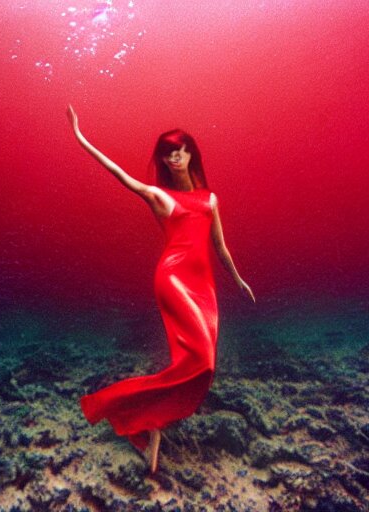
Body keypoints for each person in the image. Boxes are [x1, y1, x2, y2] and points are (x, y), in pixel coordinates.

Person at [66, 105, 255, 473]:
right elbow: (118, 173)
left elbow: (220, 247)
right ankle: (124, 409)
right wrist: (79, 136)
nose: (175, 156)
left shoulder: (209, 199)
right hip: (173, 280)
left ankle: (151, 423)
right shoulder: (158, 196)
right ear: (164, 161)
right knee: (201, 360)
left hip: (204, 286)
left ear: (191, 153)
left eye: (181, 149)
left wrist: (237, 278)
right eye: (168, 152)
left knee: (202, 365)